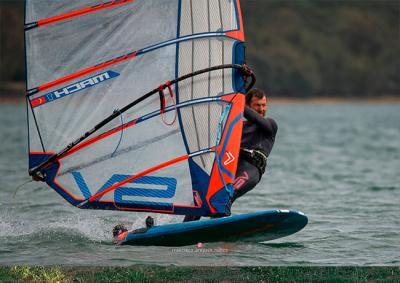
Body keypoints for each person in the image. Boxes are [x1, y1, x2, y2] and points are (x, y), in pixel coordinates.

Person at [183, 88, 278, 222]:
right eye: (257, 105)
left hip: (250, 170)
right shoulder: (236, 127)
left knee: (225, 195)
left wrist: (236, 103)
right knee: (204, 198)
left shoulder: (270, 125)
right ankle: (186, 229)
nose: (261, 109)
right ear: (249, 105)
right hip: (230, 168)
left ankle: (222, 235)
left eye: (264, 105)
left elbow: (255, 118)